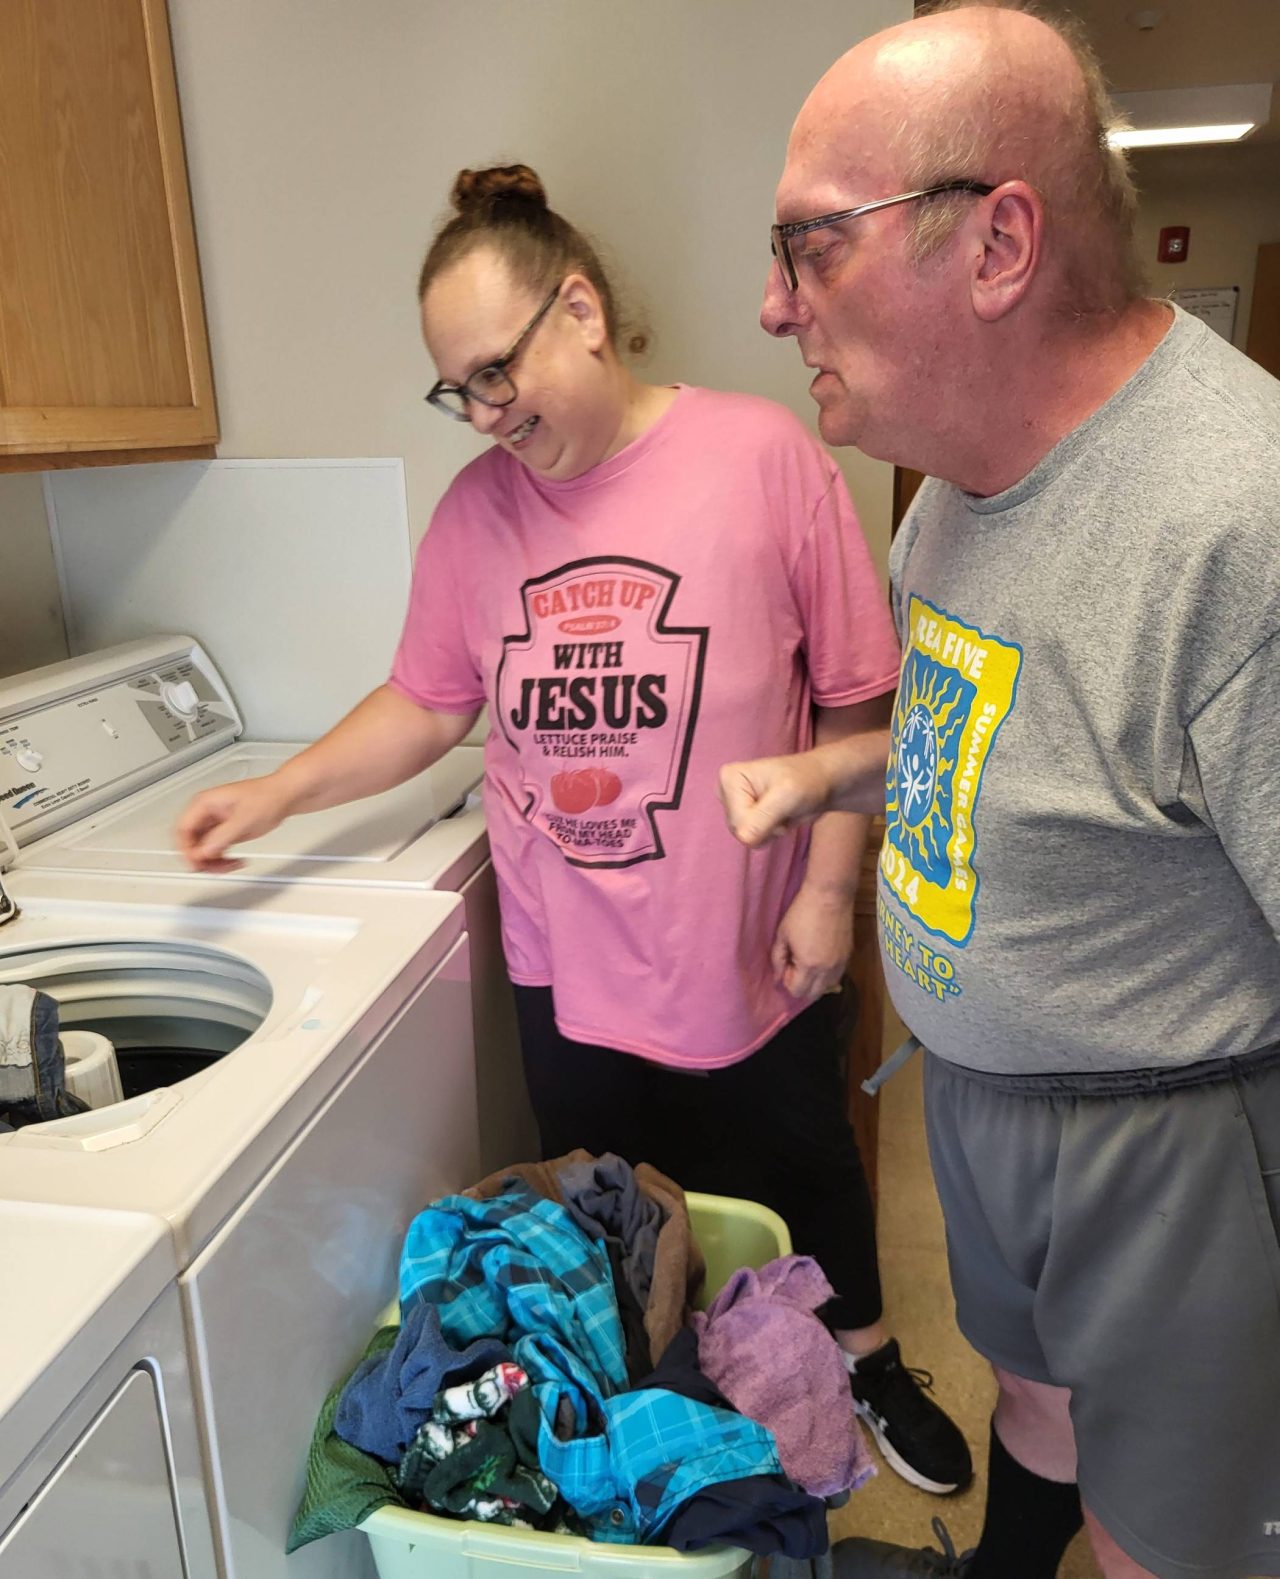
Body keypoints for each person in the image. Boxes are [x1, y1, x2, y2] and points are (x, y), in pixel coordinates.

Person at [175, 163, 972, 1496]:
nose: (486, 414)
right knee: (615, 1211)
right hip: (569, 955)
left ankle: (870, 1358)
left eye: (500, 370)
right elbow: (427, 703)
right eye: (459, 389)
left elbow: (855, 689)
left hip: (748, 938)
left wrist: (832, 887)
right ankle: (675, 1395)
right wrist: (274, 793)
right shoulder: (477, 518)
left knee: (803, 1162)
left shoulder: (761, 456)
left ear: (584, 311)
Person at [718, 3, 1280, 1577]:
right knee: (1037, 1412)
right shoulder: (948, 498)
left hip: (1171, 1144)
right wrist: (834, 769)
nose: (772, 306)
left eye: (811, 245)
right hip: (984, 1105)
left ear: (998, 243)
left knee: (1167, 1534)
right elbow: (1010, 744)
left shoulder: (1242, 532)